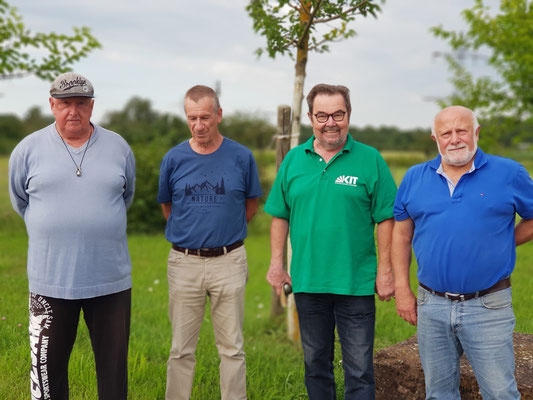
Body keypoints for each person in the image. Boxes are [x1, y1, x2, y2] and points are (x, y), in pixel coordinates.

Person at [265, 83, 397, 400]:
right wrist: (276, 264)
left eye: (338, 113)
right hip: (308, 283)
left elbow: (386, 219)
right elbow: (279, 215)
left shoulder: (370, 159)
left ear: (348, 115)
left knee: (360, 371)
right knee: (315, 366)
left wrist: (386, 270)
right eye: (322, 115)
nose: (330, 122)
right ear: (311, 117)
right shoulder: (294, 160)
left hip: (356, 283)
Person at [8, 72, 135, 400]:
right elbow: (21, 201)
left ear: (92, 106)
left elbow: (126, 195)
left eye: (81, 103)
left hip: (110, 282)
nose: (73, 111)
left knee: (113, 376)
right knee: (46, 378)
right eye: (65, 103)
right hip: (49, 282)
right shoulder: (28, 150)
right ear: (52, 105)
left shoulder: (118, 147)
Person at [392, 105, 533, 399]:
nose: (454, 139)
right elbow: (402, 234)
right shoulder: (415, 177)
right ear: (436, 139)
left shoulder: (509, 173)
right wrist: (402, 290)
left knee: (500, 393)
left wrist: (505, 240)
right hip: (431, 304)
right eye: (446, 133)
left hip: (488, 305)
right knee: (439, 393)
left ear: (476, 132)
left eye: (462, 130)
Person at [157, 85, 262, 400]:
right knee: (180, 349)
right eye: (192, 118)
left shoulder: (242, 157)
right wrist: (191, 234)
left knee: (232, 348)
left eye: (205, 117)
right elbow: (168, 207)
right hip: (184, 262)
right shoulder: (174, 158)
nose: (199, 125)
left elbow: (251, 204)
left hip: (229, 261)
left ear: (219, 115)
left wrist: (223, 232)